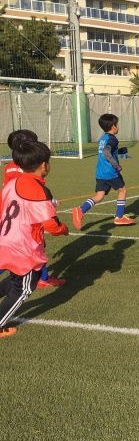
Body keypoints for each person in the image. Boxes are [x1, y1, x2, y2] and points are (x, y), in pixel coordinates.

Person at [0, 140, 69, 337]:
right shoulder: (37, 189)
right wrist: (62, 229)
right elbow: (50, 224)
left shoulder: (11, 184)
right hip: (23, 246)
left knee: (16, 279)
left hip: (6, 239)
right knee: (24, 287)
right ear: (44, 165)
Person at [3, 130, 65, 288]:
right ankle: (43, 278)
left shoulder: (9, 167)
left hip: (11, 216)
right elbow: (33, 193)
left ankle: (41, 277)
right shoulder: (28, 169)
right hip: (28, 219)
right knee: (34, 248)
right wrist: (49, 203)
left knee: (8, 254)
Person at [72, 114, 135, 230]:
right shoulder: (113, 139)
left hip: (100, 172)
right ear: (113, 126)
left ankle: (80, 210)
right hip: (110, 172)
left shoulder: (103, 138)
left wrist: (120, 151)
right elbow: (107, 153)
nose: (118, 126)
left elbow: (107, 151)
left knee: (99, 195)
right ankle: (119, 217)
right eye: (117, 124)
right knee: (122, 190)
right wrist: (116, 165)